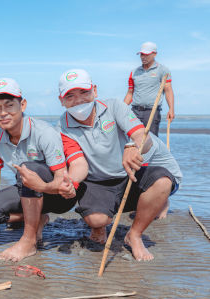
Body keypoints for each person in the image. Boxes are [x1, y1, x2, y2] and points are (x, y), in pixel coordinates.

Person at [58, 69, 182, 261]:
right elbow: (78, 164)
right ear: (61, 100)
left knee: (163, 181)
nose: (79, 100)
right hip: (97, 181)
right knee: (97, 219)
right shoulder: (62, 126)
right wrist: (70, 182)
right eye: (70, 96)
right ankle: (99, 227)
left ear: (94, 91)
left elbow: (144, 136)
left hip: (127, 175)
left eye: (84, 92)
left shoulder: (114, 106)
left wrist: (133, 145)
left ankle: (135, 235)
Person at [0, 78, 88, 262]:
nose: (3, 113)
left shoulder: (44, 133)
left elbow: (63, 181)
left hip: (60, 196)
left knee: (28, 168)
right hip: (29, 191)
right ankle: (38, 219)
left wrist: (41, 186)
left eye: (9, 105)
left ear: (22, 105)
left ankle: (28, 242)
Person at [124, 42, 175, 136]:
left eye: (146, 54)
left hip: (152, 112)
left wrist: (171, 109)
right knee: (133, 141)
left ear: (154, 54)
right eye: (142, 54)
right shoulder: (134, 72)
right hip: (134, 112)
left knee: (151, 142)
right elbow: (130, 93)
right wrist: (121, 108)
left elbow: (168, 90)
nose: (143, 57)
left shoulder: (163, 70)